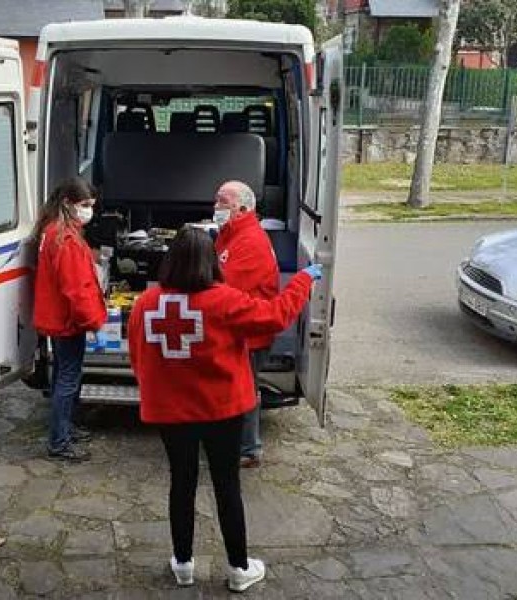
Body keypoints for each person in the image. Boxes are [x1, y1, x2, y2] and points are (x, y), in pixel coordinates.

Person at [128, 226, 321, 592]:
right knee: (227, 486)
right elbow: (276, 316)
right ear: (211, 262)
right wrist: (302, 280)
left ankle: (183, 563)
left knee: (180, 485)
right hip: (222, 412)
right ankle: (238, 568)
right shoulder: (224, 300)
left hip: (170, 414)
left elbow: (138, 360)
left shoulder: (145, 304)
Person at [32, 177, 107, 462]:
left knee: (64, 376)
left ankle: (66, 429)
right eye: (85, 205)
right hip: (67, 322)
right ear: (68, 203)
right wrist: (94, 323)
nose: (89, 211)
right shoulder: (66, 239)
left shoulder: (54, 231)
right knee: (67, 380)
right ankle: (59, 441)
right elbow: (77, 289)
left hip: (58, 318)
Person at [213, 180, 280, 469]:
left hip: (249, 332)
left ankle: (248, 449)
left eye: (222, 202)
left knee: (243, 389)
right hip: (237, 328)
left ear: (241, 208)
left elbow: (226, 285)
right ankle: (238, 444)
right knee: (237, 387)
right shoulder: (230, 234)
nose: (216, 207)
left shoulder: (250, 241)